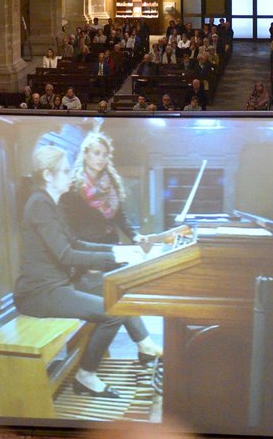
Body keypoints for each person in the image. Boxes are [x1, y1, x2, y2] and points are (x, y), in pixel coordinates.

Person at [13, 145, 129, 398]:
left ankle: (87, 369)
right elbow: (66, 255)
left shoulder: (52, 203)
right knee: (113, 312)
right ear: (48, 175)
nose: (70, 175)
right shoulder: (39, 205)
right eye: (65, 171)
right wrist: (113, 260)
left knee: (115, 299)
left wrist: (117, 253)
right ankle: (86, 376)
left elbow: (75, 243)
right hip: (39, 293)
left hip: (57, 286)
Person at [60, 132, 173, 366]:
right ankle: (144, 346)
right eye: (96, 153)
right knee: (119, 299)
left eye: (105, 154)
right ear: (85, 154)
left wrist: (137, 236)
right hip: (86, 262)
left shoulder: (108, 182)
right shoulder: (72, 189)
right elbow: (68, 235)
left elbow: (121, 218)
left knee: (124, 293)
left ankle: (144, 346)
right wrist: (86, 263)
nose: (101, 159)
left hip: (111, 254)